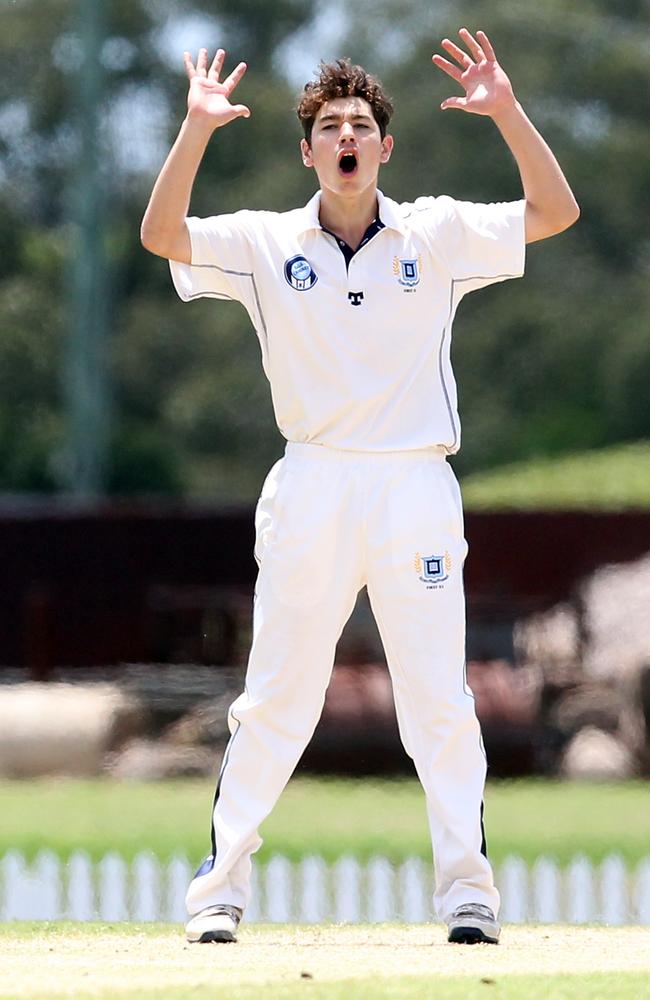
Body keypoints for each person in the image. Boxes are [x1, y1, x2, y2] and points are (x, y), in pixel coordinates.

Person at [141, 28, 579, 945]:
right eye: (331, 126)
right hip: (311, 484)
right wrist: (195, 130)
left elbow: (553, 210)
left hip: (415, 483)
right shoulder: (266, 242)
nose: (347, 138)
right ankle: (217, 896)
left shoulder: (440, 232)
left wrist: (505, 109)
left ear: (386, 146)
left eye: (362, 125)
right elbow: (161, 235)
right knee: (277, 699)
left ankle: (468, 897)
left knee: (438, 703)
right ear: (308, 152)